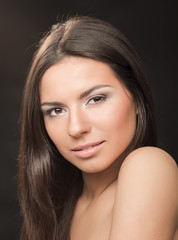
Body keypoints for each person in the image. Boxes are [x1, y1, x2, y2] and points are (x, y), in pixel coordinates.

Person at [18, 16, 178, 240]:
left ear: (137, 98)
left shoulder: (147, 166)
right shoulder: (59, 205)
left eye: (96, 99)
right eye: (56, 110)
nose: (76, 128)